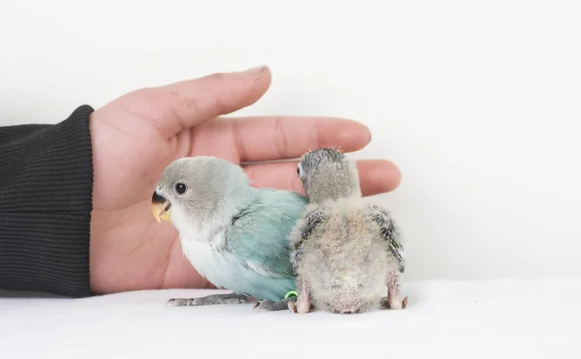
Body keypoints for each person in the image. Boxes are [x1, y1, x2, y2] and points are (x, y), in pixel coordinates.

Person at [0, 66, 401, 298]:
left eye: (179, 189)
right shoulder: (200, 240)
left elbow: (329, 264)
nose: (161, 198)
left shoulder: (247, 232)